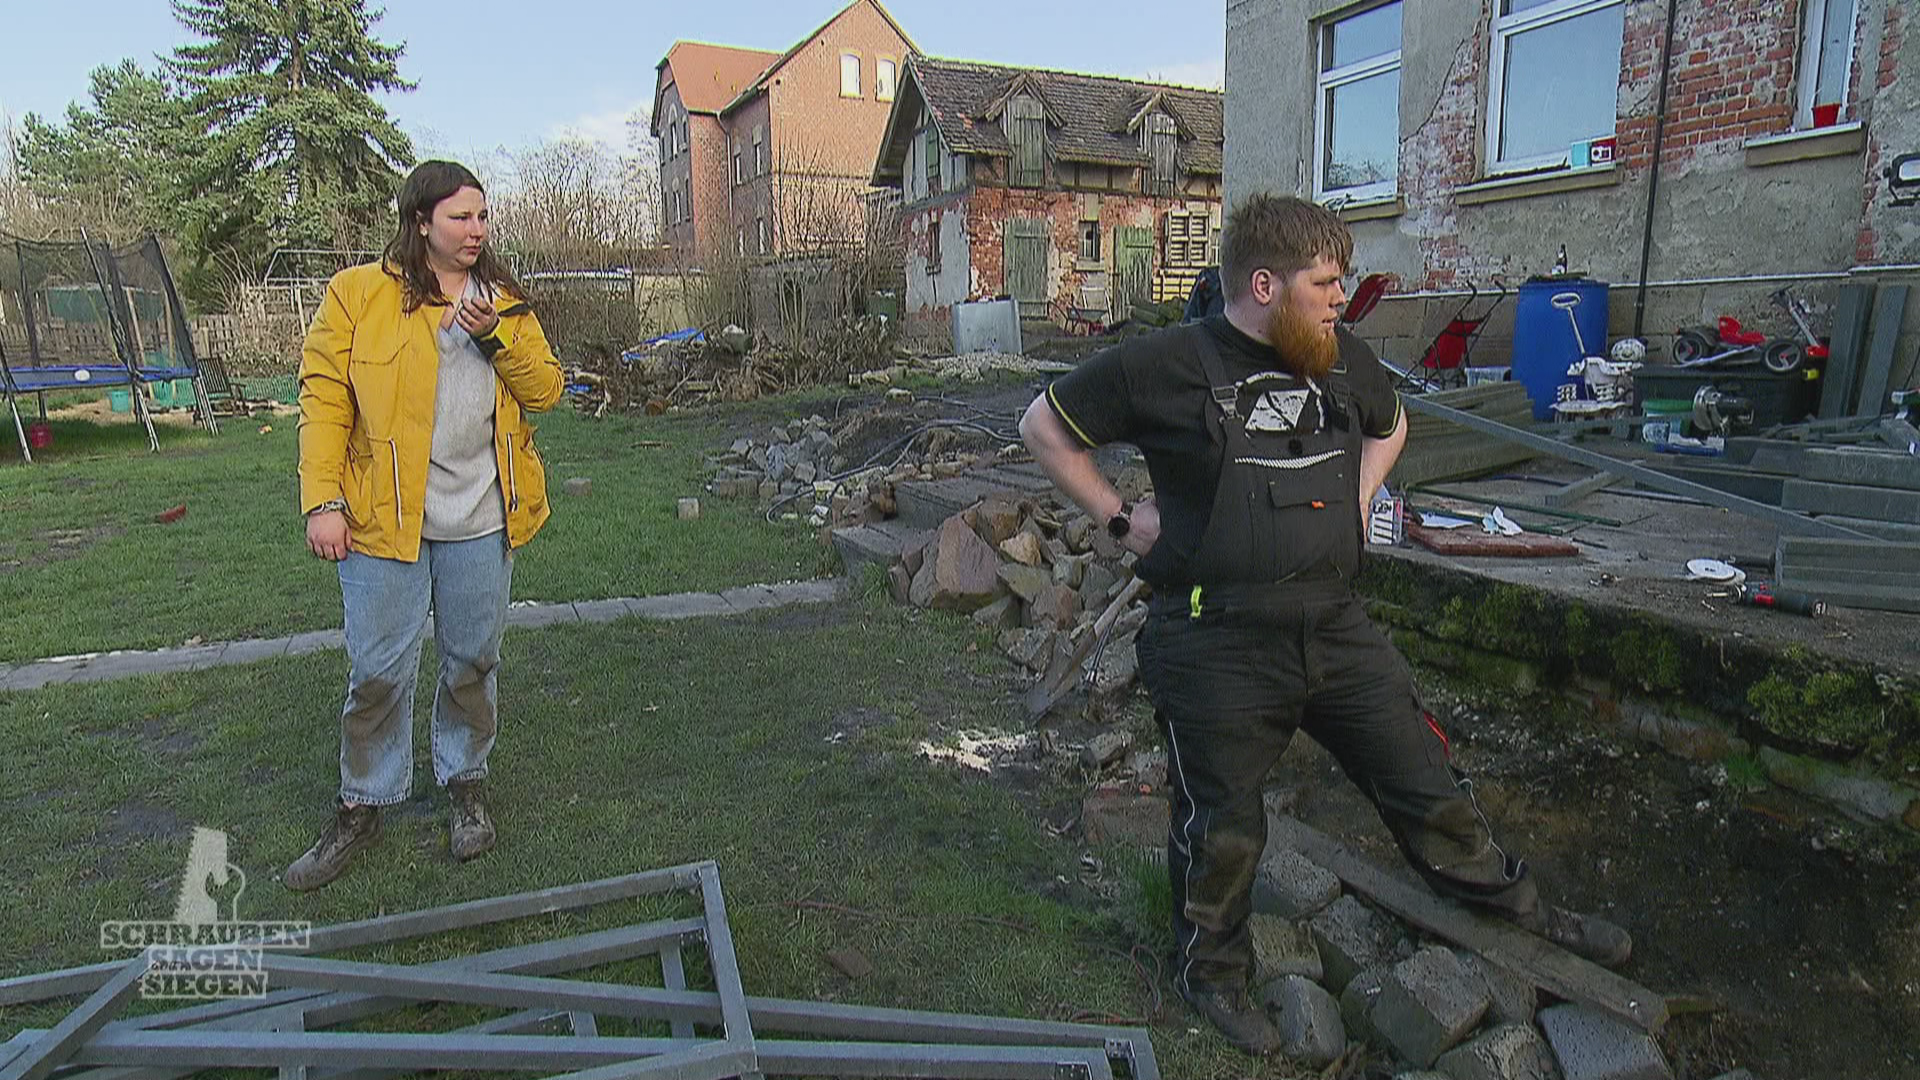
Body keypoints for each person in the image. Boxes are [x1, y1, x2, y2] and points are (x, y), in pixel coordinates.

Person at [1019, 194, 1630, 1056]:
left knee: (1422, 774)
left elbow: (1393, 423)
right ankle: (1212, 975)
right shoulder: (1167, 364)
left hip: (1336, 627)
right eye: (1325, 282)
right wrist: (1120, 518)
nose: (1342, 296)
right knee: (1224, 825)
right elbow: (1042, 426)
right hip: (1214, 638)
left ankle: (1516, 908)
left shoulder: (1341, 358)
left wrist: (1359, 495)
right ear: (1265, 285)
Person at [287, 160, 563, 891]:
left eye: (482, 217)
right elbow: (324, 400)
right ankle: (362, 803)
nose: (476, 231)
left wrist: (496, 337)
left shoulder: (504, 302)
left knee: (472, 661)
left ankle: (465, 784)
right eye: (460, 218)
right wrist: (323, 501)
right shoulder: (358, 295)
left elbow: (547, 390)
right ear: (420, 221)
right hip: (382, 522)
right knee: (378, 670)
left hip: (481, 519)